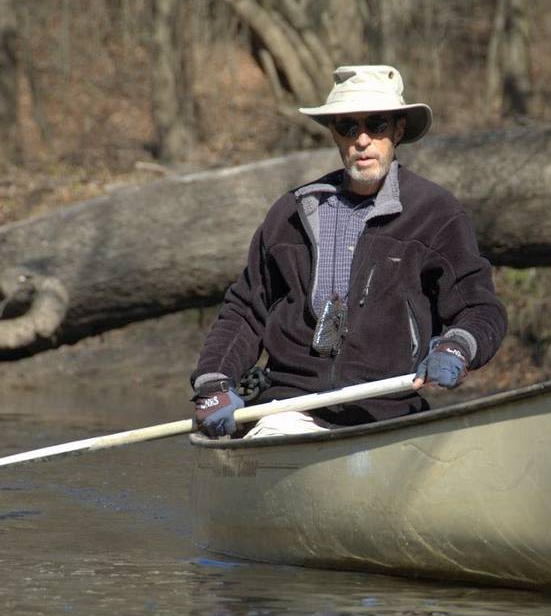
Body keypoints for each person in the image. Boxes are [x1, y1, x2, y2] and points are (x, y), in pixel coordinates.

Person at [190, 64, 507, 438]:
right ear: (334, 134)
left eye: (377, 124)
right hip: (290, 410)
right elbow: (245, 311)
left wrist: (457, 346)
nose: (362, 140)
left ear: (398, 130)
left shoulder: (436, 214)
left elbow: (480, 310)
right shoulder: (288, 214)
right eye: (348, 127)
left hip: (391, 413)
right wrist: (213, 383)